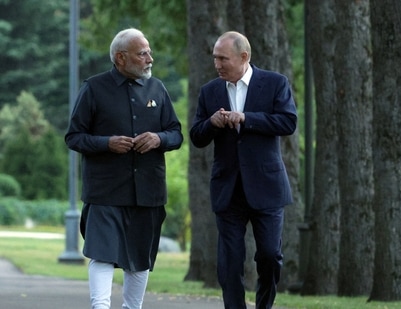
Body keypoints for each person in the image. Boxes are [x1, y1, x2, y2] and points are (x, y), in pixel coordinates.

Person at [65, 28, 183, 309]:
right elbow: (74, 137)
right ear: (121, 58)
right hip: (105, 190)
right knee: (102, 253)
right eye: (142, 53)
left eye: (149, 52)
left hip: (148, 191)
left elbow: (176, 133)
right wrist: (107, 143)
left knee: (140, 257)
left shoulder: (158, 89)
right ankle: (100, 306)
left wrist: (158, 138)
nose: (149, 58)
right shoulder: (93, 88)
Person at [189, 31, 298, 309]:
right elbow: (196, 137)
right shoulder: (210, 91)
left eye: (223, 58)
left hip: (267, 187)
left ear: (243, 57)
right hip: (228, 189)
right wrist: (212, 123)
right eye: (215, 58)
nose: (217, 64)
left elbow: (287, 122)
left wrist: (247, 118)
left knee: (270, 257)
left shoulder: (275, 83)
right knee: (230, 262)